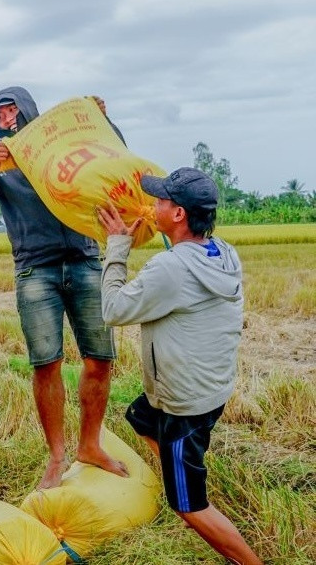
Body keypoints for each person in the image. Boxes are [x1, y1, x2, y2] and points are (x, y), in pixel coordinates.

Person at [0, 86, 128, 489]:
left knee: (99, 358)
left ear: (28, 109)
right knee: (46, 363)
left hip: (85, 260)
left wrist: (104, 122)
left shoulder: (63, 146)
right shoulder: (0, 160)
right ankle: (56, 456)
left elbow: (115, 155)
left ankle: (90, 445)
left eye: (9, 109)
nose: (4, 118)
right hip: (35, 270)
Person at [98, 168, 261, 564]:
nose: (153, 206)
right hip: (211, 388)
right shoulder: (221, 250)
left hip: (184, 403)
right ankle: (180, 474)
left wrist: (117, 246)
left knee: (188, 507)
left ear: (178, 215)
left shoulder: (171, 268)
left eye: (161, 201)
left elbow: (114, 309)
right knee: (139, 416)